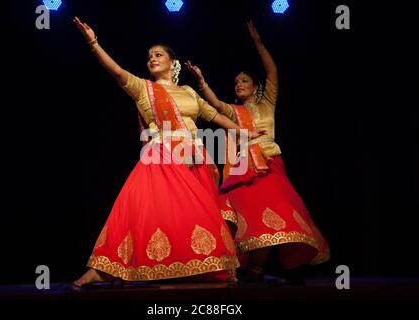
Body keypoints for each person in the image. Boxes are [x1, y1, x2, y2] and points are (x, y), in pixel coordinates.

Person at [71, 17, 268, 287]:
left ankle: (197, 270)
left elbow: (213, 115)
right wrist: (93, 43)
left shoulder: (188, 91)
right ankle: (105, 269)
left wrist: (243, 132)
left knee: (191, 216)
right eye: (149, 56)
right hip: (161, 156)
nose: (152, 58)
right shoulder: (144, 88)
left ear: (173, 63)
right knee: (136, 209)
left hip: (195, 160)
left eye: (158, 54)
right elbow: (117, 72)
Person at [186, 21, 330, 282]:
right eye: (236, 82)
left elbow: (272, 71)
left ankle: (270, 269)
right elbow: (215, 104)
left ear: (255, 86)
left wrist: (259, 45)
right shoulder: (234, 111)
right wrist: (201, 81)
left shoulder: (267, 104)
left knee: (281, 213)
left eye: (244, 81)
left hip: (270, 164)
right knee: (251, 218)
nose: (239, 85)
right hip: (244, 170)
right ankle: (253, 271)